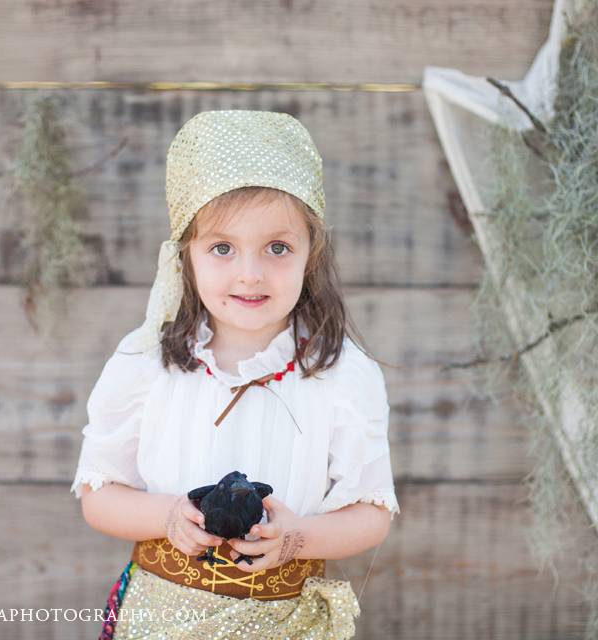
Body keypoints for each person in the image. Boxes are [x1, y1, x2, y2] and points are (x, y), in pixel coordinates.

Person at [71, 110, 400, 640]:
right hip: (163, 621)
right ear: (187, 256)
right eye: (222, 248)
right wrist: (168, 516)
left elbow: (372, 513)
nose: (250, 272)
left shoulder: (342, 374)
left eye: (277, 247)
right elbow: (99, 496)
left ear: (310, 254)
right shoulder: (142, 365)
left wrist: (298, 539)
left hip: (285, 623)